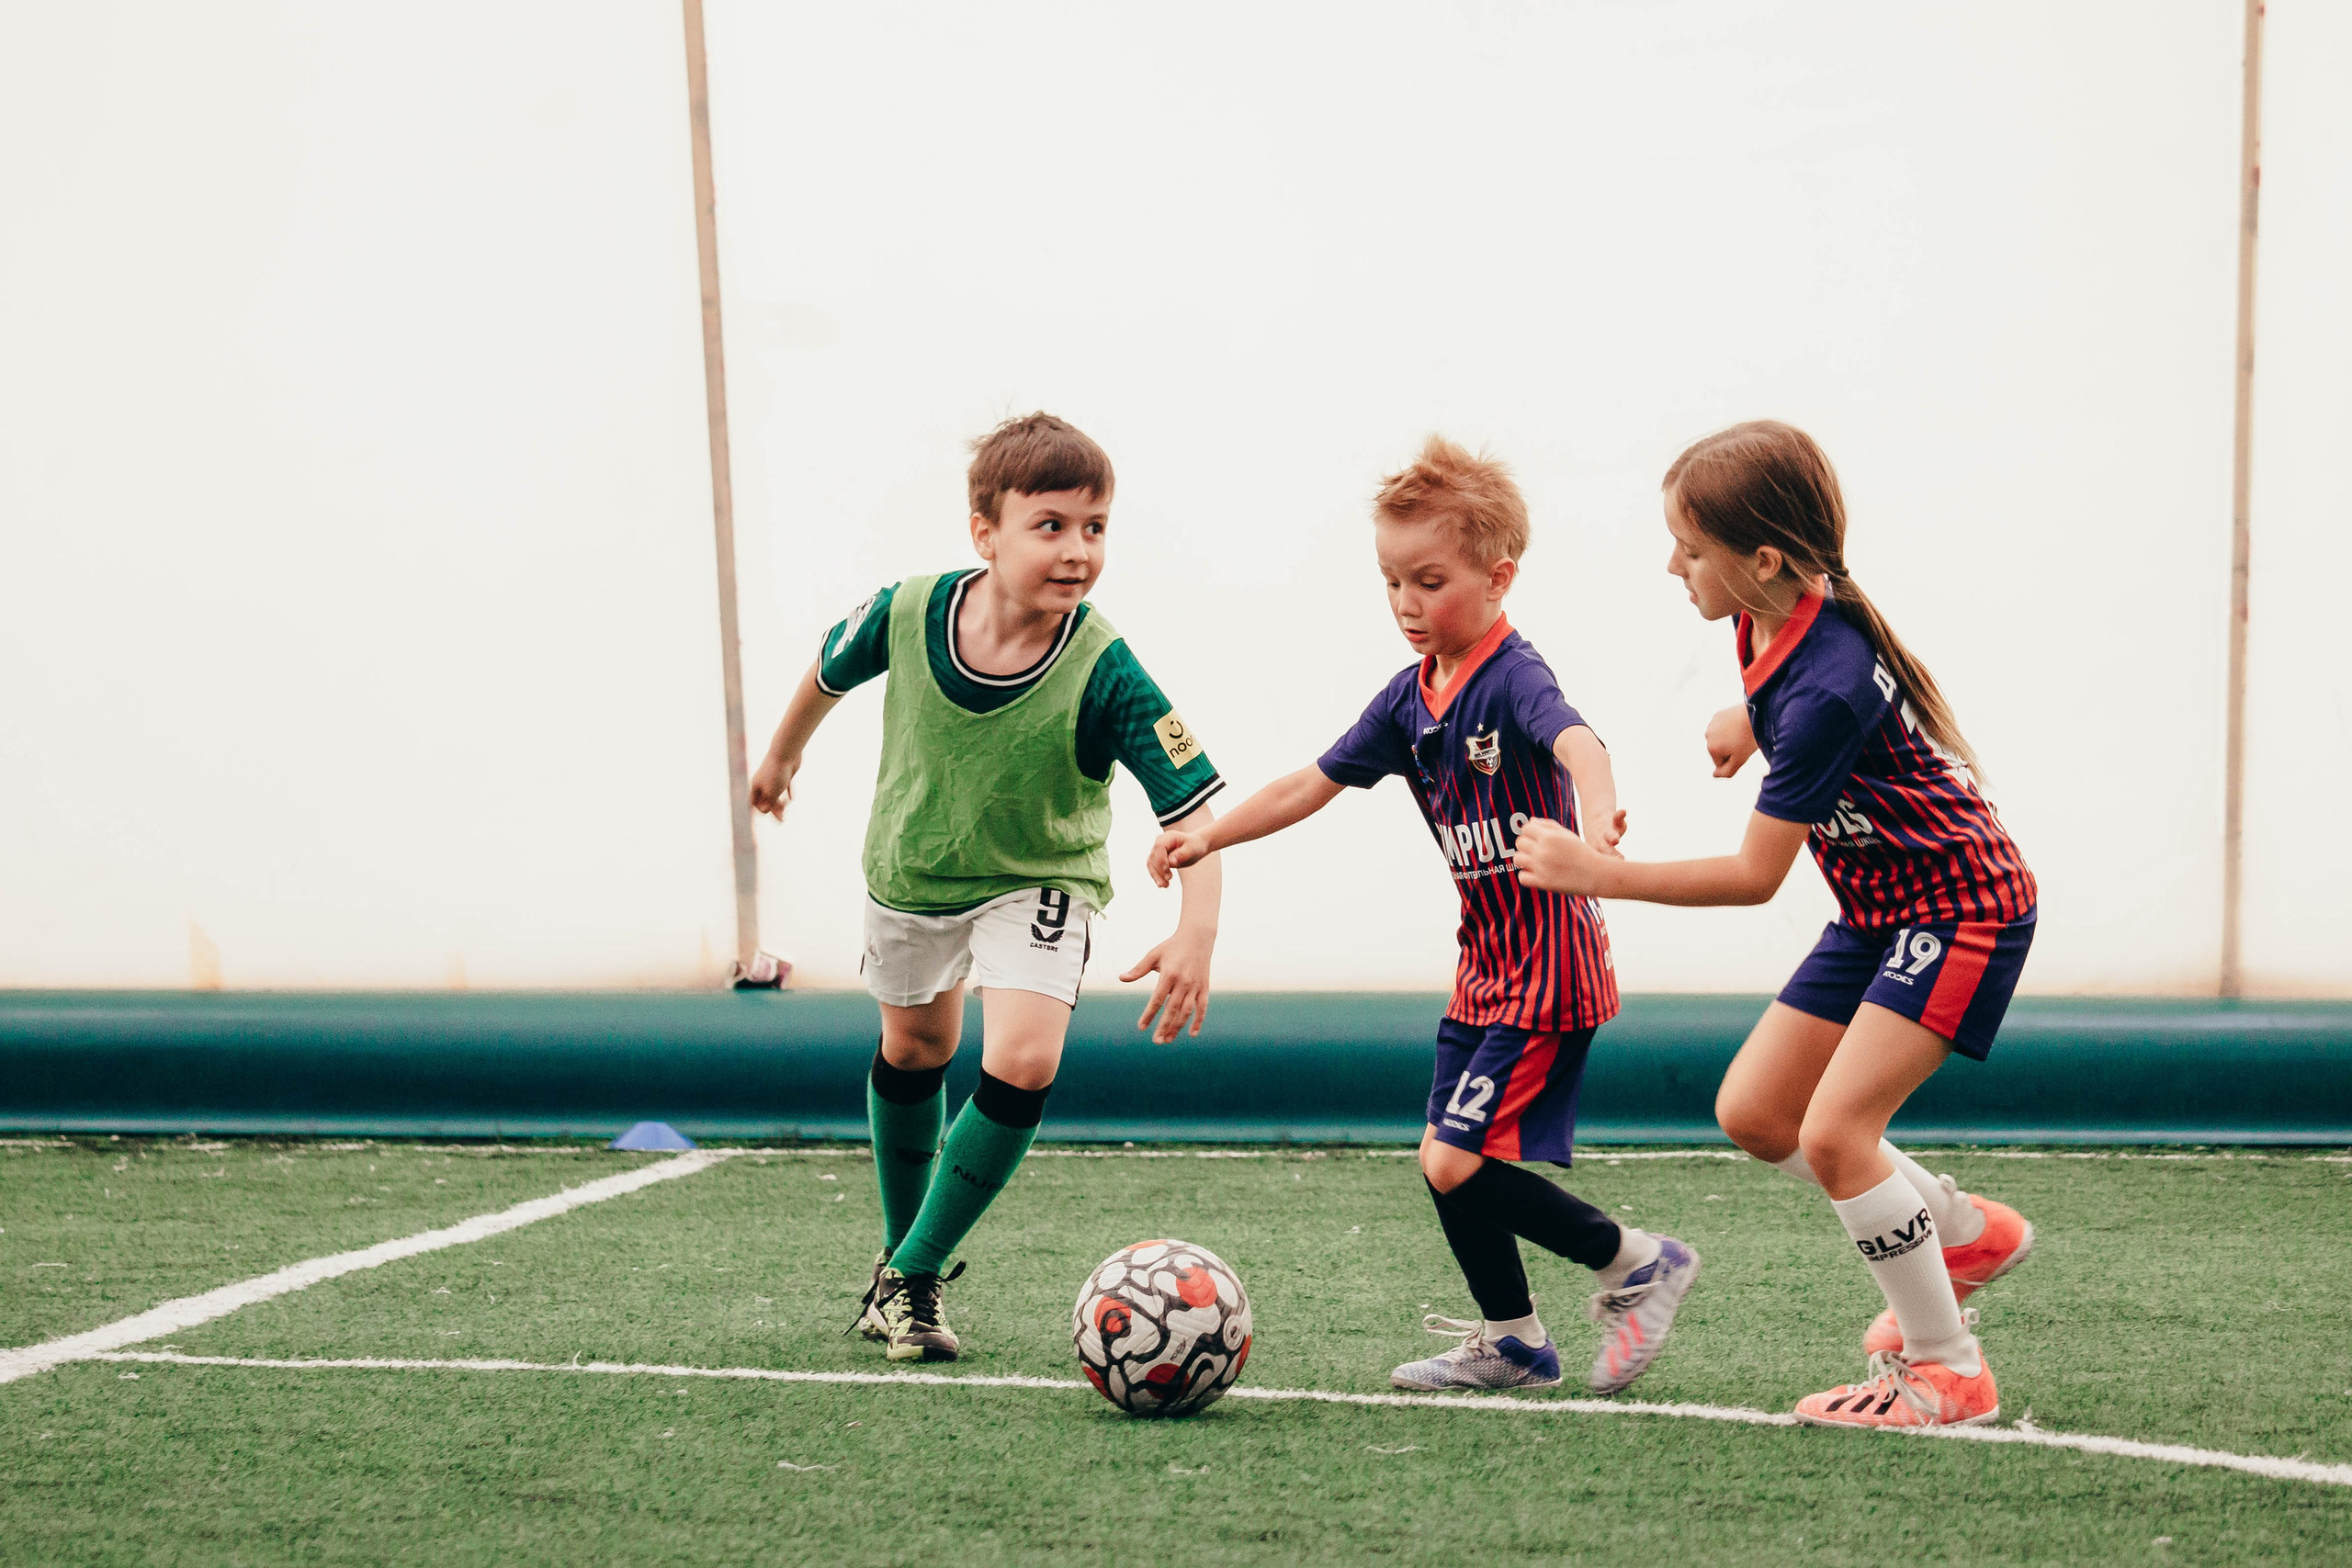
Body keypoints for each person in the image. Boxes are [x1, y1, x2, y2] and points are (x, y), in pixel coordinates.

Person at [1512, 420, 2037, 1429]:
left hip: (1963, 909)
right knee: (1757, 1115)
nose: (1673, 566)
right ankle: (1961, 1234)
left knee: (1839, 1137)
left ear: (1760, 559)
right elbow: (1804, 681)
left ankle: (1946, 1369)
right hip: (1882, 909)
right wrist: (1748, 717)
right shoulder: (1768, 623)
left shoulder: (1828, 687)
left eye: (1690, 547)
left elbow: (1756, 876)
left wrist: (1594, 874)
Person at [1150, 436, 1701, 1395]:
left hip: (1549, 972)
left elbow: (1577, 740)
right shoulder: (1411, 697)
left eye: (1428, 580)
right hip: (1485, 971)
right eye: (1391, 581)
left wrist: (1601, 815)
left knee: (1453, 1160)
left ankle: (1635, 1262)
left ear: (1497, 578)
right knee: (1441, 1158)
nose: (1406, 603)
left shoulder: (1510, 676)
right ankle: (1515, 1342)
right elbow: (1306, 785)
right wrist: (1211, 836)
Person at [749, 412, 1225, 1362]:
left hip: (1038, 882)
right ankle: (897, 1263)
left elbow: (1195, 813)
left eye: (1094, 528)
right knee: (916, 1047)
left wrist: (1196, 931)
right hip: (913, 869)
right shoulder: (908, 608)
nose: (1077, 550)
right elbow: (826, 670)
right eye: (1050, 525)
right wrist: (779, 759)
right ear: (985, 532)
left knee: (1023, 1059)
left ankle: (914, 1275)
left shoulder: (1105, 666)